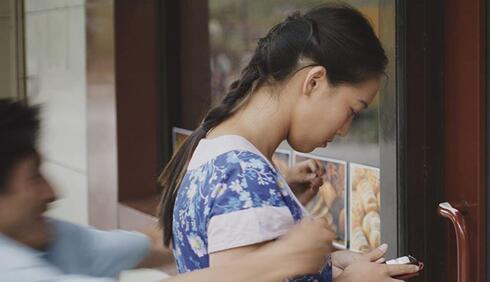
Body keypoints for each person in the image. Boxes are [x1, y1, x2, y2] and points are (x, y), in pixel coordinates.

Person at [1, 99, 402, 282]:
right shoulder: (13, 269)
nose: (53, 191)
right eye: (33, 177)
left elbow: (163, 244)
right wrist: (283, 258)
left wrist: (258, 216)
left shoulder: (49, 238)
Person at [158, 3, 419, 282]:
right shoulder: (243, 176)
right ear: (315, 81)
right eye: (352, 110)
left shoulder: (216, 148)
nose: (345, 129)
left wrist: (327, 265)